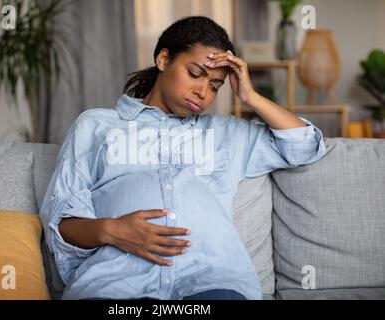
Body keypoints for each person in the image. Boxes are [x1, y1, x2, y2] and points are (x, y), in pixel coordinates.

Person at [39, 16, 327, 300]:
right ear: (164, 60)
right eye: (195, 73)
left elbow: (304, 146)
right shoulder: (95, 126)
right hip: (115, 283)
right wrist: (112, 231)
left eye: (215, 86)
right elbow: (61, 224)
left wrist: (251, 97)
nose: (203, 92)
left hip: (212, 282)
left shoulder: (227, 134)